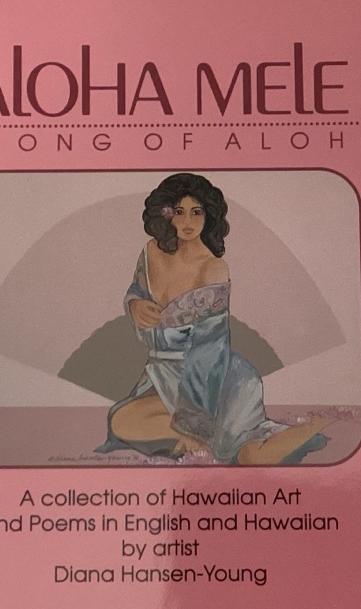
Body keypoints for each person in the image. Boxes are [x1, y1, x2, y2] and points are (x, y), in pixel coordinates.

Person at [95, 173, 331, 465]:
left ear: (209, 216)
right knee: (120, 420)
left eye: (197, 212)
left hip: (214, 378)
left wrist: (195, 417)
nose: (188, 222)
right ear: (165, 214)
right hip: (162, 375)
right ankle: (196, 442)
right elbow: (136, 290)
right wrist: (134, 305)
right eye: (179, 212)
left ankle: (307, 428)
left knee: (245, 456)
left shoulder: (213, 269)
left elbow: (211, 347)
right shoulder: (150, 252)